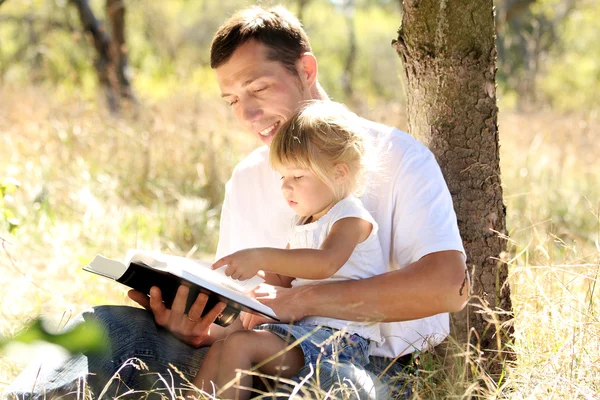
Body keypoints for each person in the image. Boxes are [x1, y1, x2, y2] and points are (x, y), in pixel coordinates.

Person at [5, 5, 469, 400]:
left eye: (258, 89)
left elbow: (447, 287)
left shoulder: (396, 156)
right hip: (249, 355)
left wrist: (302, 299)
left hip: (366, 368)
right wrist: (196, 329)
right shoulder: (248, 177)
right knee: (102, 326)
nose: (246, 115)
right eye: (231, 100)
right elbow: (242, 316)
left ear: (306, 71)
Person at [193, 100, 387, 399]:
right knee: (222, 346)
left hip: (340, 342)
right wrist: (248, 283)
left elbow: (324, 263)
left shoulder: (350, 217)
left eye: (297, 176)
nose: (286, 187)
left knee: (240, 345)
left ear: (339, 173)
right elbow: (281, 280)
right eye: (283, 177)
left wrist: (262, 255)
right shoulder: (303, 223)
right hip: (303, 334)